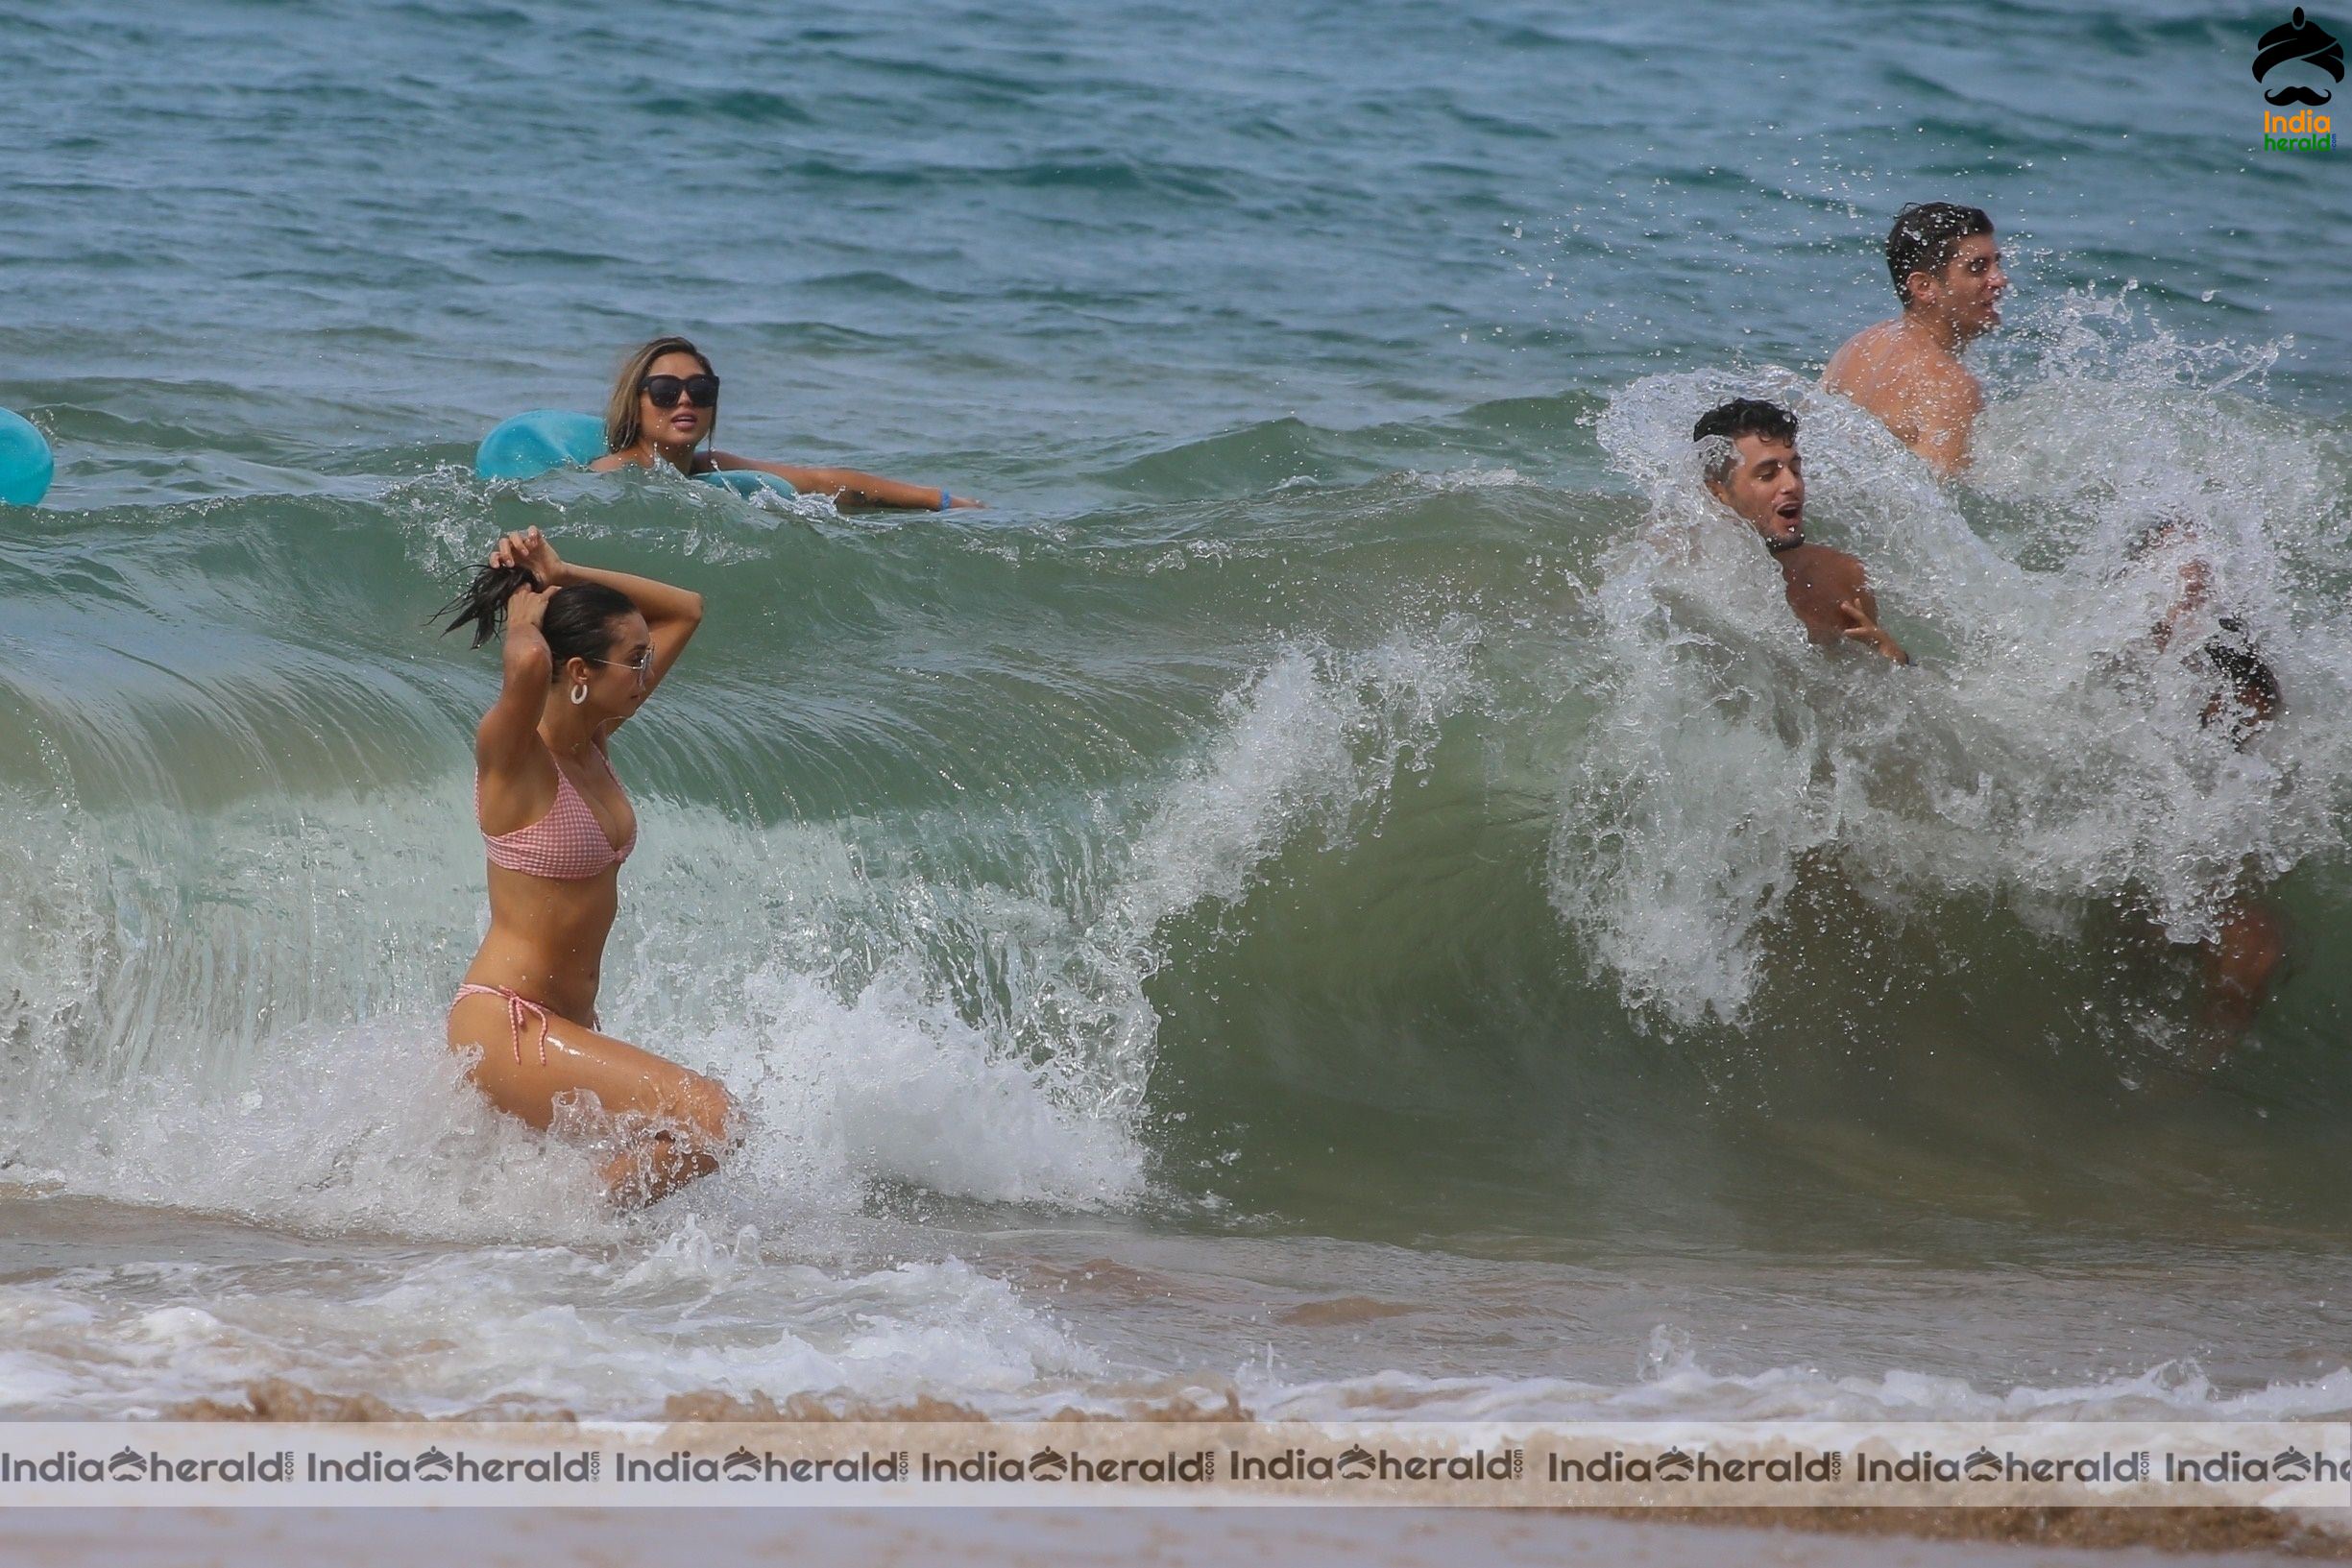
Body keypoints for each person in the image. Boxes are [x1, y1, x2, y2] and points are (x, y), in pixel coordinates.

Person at [439, 525, 738, 1206]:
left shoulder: (592, 742)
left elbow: (685, 608)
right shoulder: (515, 757)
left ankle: (557, 1254)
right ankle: (565, 1234)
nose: (647, 671)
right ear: (578, 673)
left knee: (691, 1133)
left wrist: (562, 569)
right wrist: (526, 612)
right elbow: (521, 671)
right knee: (715, 1119)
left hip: (563, 1029)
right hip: (506, 1023)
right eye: (635, 661)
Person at [2128, 518, 2287, 1040]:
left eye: (2204, 575)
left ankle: (2192, 1076)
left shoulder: (2237, 670)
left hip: (2197, 864)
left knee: (2253, 938)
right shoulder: (2106, 651)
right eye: (2177, 573)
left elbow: (2252, 749)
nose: (2193, 587)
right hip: (2125, 855)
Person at [587, 334, 982, 510]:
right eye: (665, 391)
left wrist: (942, 501)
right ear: (635, 402)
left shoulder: (711, 465)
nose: (686, 399)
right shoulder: (617, 471)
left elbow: (824, 482)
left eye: (701, 389)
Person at [1694, 398, 1910, 664]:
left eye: (1795, 470)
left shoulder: (1843, 577)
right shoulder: (1688, 580)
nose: (1792, 484)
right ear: (1719, 493)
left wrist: (1895, 657)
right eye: (1767, 475)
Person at [1823, 203, 2008, 477]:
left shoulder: (1859, 347)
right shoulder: (1949, 386)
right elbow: (1941, 507)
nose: (1999, 280)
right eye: (1977, 268)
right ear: (1924, 287)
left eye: (1997, 264)